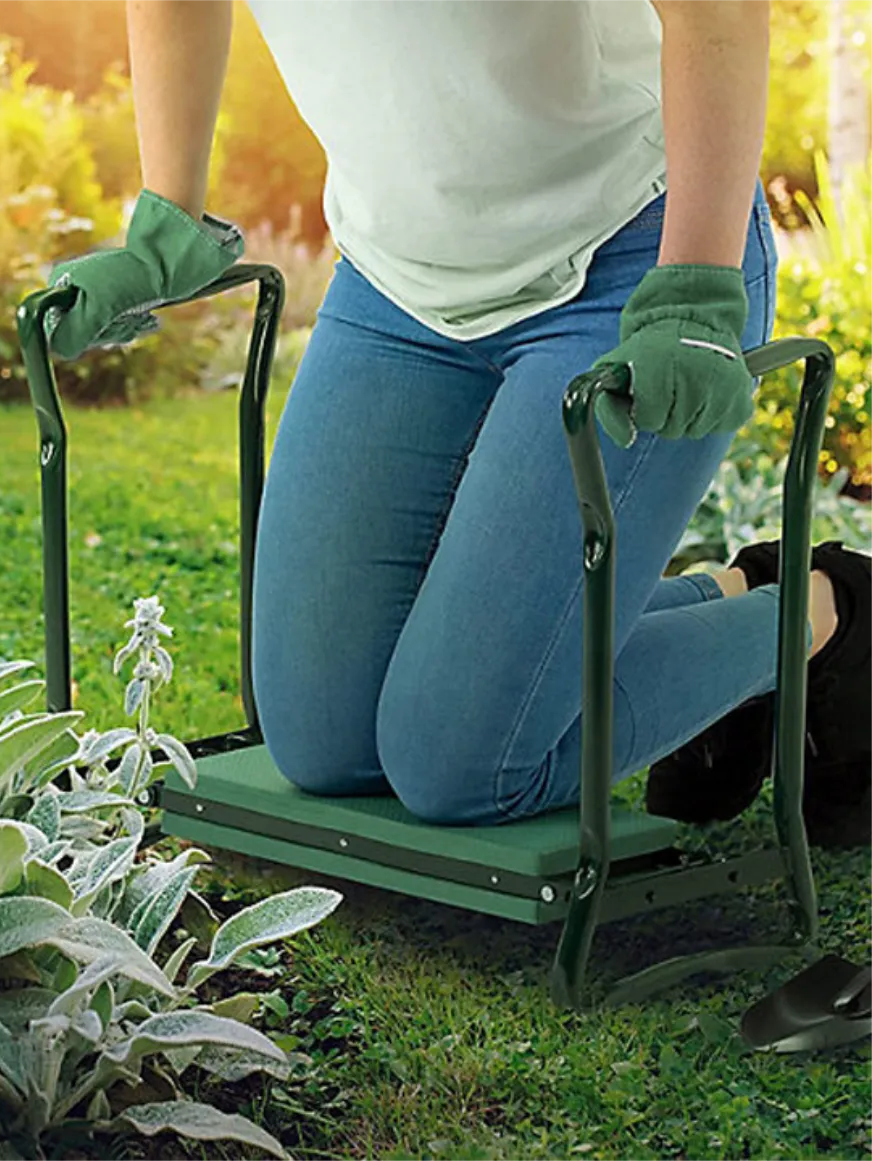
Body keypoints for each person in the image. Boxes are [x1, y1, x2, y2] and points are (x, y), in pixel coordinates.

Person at [49, 0, 872, 848]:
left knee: (462, 766)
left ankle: (827, 609)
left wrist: (697, 279)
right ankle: (728, 594)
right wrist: (167, 219)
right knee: (323, 741)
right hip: (399, 285)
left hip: (637, 266)